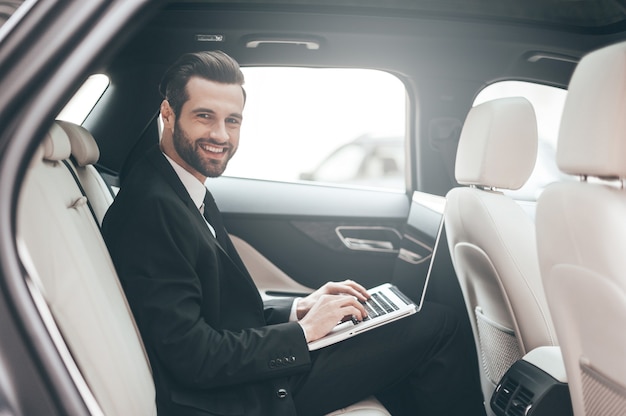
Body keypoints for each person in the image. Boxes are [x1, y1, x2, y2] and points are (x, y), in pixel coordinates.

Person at [102, 50, 485, 416]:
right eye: (205, 116)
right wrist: (301, 334)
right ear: (168, 114)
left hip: (246, 375)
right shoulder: (150, 210)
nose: (221, 135)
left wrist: (298, 309)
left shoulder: (179, 186)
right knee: (438, 327)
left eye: (232, 120)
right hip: (233, 399)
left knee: (403, 324)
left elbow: (220, 314)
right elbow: (194, 356)